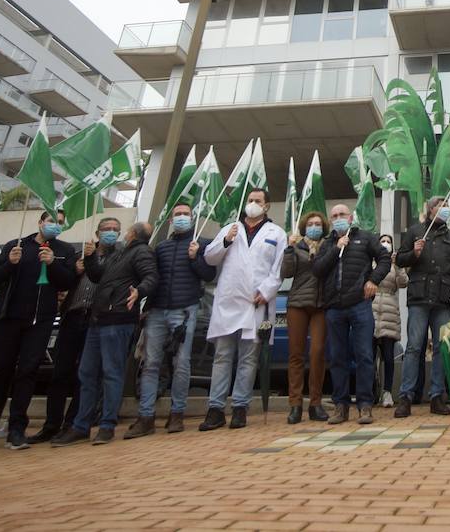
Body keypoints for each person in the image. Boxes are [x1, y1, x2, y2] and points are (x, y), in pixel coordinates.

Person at [0, 211, 78, 454]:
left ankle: (17, 428)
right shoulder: (16, 245)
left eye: (60, 223)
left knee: (27, 372)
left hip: (40, 320)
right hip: (9, 317)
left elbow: (66, 283)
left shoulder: (65, 251)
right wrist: (10, 262)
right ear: (41, 222)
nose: (55, 225)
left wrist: (52, 263)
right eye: (51, 221)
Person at [52, 221, 158, 446]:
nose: (114, 234)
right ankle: (81, 425)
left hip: (118, 319)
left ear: (130, 234)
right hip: (98, 320)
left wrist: (139, 291)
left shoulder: (142, 252)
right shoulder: (120, 254)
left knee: (112, 373)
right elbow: (99, 275)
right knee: (87, 373)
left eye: (121, 231)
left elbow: (151, 277)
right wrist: (90, 258)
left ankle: (107, 425)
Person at [199, 188, 286, 431]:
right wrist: (226, 241)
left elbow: (278, 268)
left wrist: (266, 291)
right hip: (228, 301)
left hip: (255, 302)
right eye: (250, 200)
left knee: (248, 359)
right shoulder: (230, 228)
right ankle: (215, 409)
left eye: (258, 201)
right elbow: (209, 257)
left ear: (267, 206)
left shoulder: (276, 233)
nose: (253, 204)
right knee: (222, 356)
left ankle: (240, 408)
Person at [126, 204, 216, 438]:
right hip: (157, 311)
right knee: (150, 363)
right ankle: (145, 417)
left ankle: (177, 414)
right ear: (170, 220)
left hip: (185, 310)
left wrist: (196, 257)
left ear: (193, 218)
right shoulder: (162, 247)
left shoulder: (201, 243)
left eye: (186, 214)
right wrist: (146, 308)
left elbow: (208, 275)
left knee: (182, 363)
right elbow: (155, 278)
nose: (182, 218)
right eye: (178, 215)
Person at [25, 221, 105, 444]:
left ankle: (75, 423)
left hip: (95, 320)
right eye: (104, 231)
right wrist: (76, 269)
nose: (108, 234)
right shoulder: (76, 254)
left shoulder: (117, 258)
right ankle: (51, 425)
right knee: (60, 373)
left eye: (113, 231)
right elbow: (64, 281)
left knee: (86, 375)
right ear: (96, 234)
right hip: (72, 316)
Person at [313, 203, 390, 424]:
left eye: (342, 215)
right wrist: (337, 247)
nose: (338, 218)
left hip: (360, 305)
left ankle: (365, 405)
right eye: (334, 215)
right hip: (334, 308)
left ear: (350, 218)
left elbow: (384, 259)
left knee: (365, 356)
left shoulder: (365, 238)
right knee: (338, 358)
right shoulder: (327, 243)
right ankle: (341, 406)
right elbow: (318, 270)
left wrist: (373, 280)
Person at [394, 197, 450, 417]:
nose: (444, 209)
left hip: (443, 300)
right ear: (430, 209)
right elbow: (399, 259)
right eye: (441, 205)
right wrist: (413, 254)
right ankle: (405, 397)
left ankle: (437, 396)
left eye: (447, 206)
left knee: (440, 349)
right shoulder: (415, 231)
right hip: (419, 298)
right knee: (414, 348)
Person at [282, 210, 329, 424]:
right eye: (310, 223)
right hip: (298, 304)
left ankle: (315, 403)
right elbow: (287, 272)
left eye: (318, 223)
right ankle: (295, 404)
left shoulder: (329, 246)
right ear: (304, 226)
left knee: (317, 352)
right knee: (296, 354)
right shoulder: (297, 246)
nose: (314, 226)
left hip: (320, 305)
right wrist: (289, 248)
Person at [372, 233, 408, 406]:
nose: (385, 244)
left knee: (388, 355)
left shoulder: (394, 265)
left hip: (389, 313)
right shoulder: (372, 262)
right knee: (369, 355)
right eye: (383, 241)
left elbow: (403, 283)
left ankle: (387, 391)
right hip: (371, 311)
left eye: (388, 242)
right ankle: (371, 391)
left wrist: (398, 265)